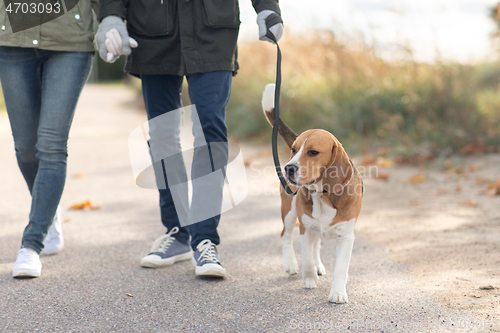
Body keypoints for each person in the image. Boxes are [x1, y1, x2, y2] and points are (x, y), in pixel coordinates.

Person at [97, 0, 283, 278]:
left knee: (210, 128)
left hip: (213, 30)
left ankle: (205, 238)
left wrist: (267, 8)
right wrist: (110, 17)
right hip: (153, 30)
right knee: (161, 133)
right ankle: (178, 232)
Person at [0, 0, 99, 277]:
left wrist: (111, 23)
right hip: (13, 39)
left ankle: (31, 244)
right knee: (26, 147)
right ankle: (48, 210)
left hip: (70, 41)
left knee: (52, 144)